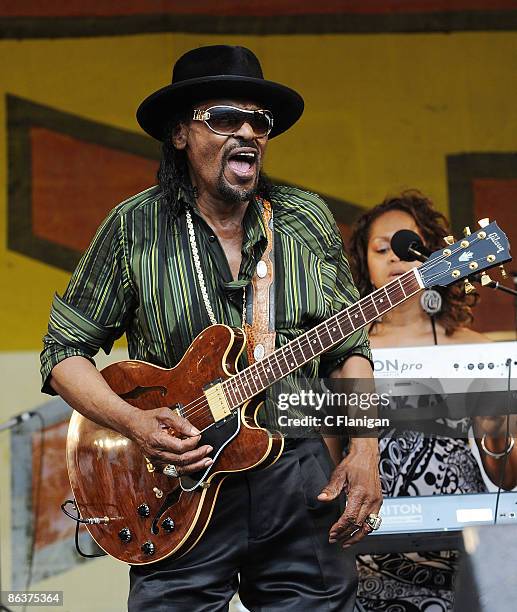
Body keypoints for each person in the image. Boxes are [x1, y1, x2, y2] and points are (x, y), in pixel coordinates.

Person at [40, 45, 382, 611]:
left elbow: (350, 349)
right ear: (180, 134)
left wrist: (366, 447)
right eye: (225, 118)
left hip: (295, 469)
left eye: (259, 122)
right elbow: (63, 355)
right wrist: (135, 422)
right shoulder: (133, 228)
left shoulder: (303, 220)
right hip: (178, 478)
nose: (247, 132)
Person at [347, 189, 517, 612]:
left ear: (432, 257)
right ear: (364, 265)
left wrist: (498, 438)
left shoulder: (475, 349)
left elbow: (508, 480)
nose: (394, 258)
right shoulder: (346, 355)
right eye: (380, 248)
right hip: (368, 557)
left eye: (405, 245)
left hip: (469, 553)